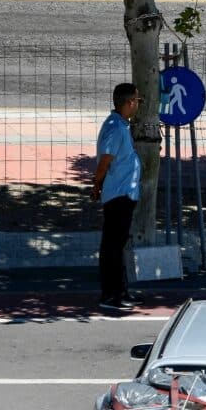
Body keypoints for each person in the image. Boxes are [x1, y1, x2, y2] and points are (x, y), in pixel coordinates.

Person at [88, 82, 143, 313]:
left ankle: (120, 290)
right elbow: (104, 162)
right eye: (137, 101)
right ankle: (111, 294)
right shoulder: (115, 128)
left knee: (117, 245)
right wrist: (97, 185)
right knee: (112, 246)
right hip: (117, 195)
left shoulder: (121, 125)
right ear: (129, 102)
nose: (138, 105)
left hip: (124, 193)